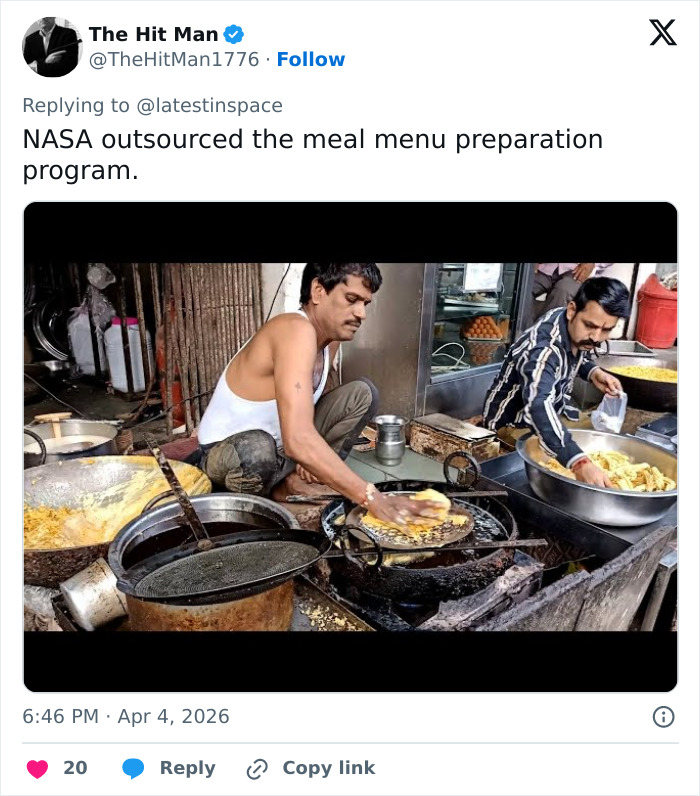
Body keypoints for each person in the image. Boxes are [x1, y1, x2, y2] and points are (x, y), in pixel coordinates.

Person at [196, 262, 442, 527]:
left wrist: (310, 454)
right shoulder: (294, 329)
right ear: (318, 291)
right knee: (258, 451)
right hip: (229, 454)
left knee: (362, 393)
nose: (361, 313)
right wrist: (372, 498)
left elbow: (307, 406)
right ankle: (268, 502)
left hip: (280, 447)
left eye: (365, 304)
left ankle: (296, 480)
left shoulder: (330, 339)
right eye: (351, 299)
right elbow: (297, 439)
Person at [483, 277, 630, 487]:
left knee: (600, 438)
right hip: (513, 425)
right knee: (569, 459)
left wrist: (593, 372)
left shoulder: (566, 321)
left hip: (554, 408)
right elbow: (537, 407)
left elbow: (577, 355)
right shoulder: (543, 350)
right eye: (590, 325)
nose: (596, 338)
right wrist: (579, 463)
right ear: (572, 310)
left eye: (606, 330)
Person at [526, 263, 614, 328]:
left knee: (564, 291)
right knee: (521, 287)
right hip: (544, 267)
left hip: (577, 270)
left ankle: (543, 333)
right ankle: (522, 333)